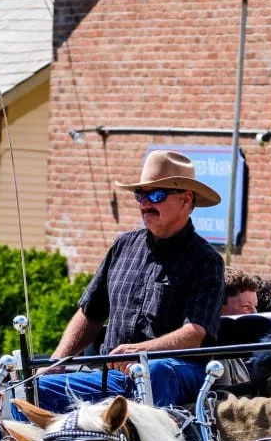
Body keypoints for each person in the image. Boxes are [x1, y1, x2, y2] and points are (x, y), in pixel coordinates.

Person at [33, 150, 226, 412]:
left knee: (154, 371)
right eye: (140, 195)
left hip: (176, 371)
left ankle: (147, 437)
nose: (145, 203)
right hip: (115, 375)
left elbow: (194, 333)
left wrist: (141, 352)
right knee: (33, 390)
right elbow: (91, 313)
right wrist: (56, 362)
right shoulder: (123, 246)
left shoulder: (206, 260)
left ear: (185, 200)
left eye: (156, 195)